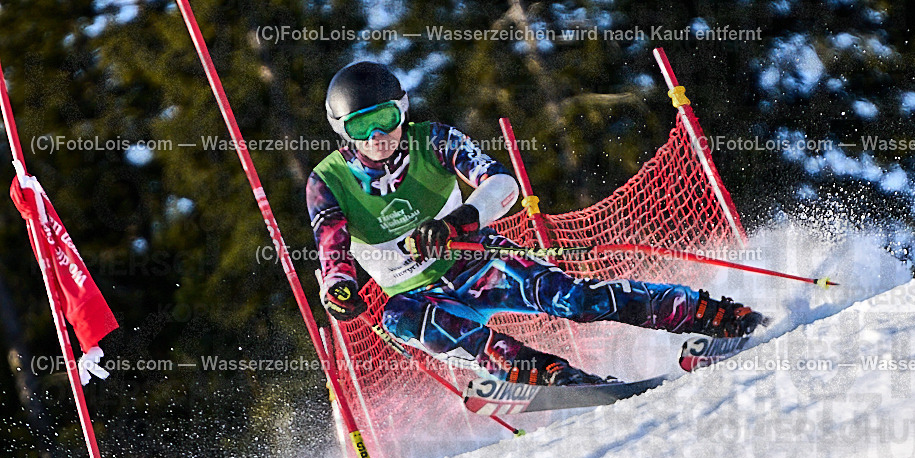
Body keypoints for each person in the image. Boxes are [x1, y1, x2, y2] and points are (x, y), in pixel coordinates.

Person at [308, 62, 764, 386]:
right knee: (401, 319)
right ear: (342, 130)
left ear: (402, 110)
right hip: (412, 295)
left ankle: (714, 315)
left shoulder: (435, 140)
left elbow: (501, 184)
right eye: (361, 126)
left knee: (574, 299)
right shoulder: (326, 181)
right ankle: (554, 377)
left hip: (476, 261)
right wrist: (339, 289)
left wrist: (457, 222)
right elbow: (332, 249)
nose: (378, 137)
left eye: (385, 119)